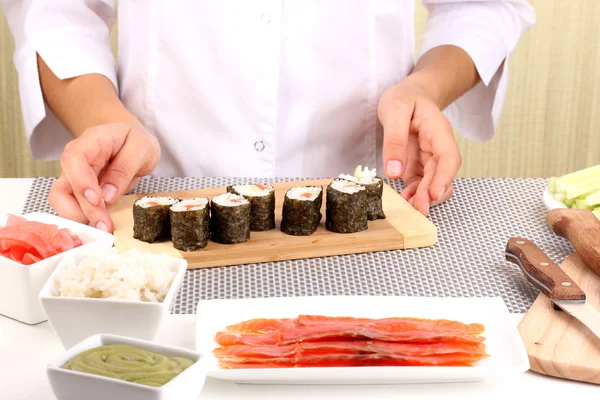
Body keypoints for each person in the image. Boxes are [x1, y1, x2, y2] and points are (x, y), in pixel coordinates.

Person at [2, 1, 535, 233]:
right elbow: (56, 7)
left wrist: (426, 86)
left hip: (366, 201)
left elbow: (482, 4)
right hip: (152, 189)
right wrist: (101, 118)